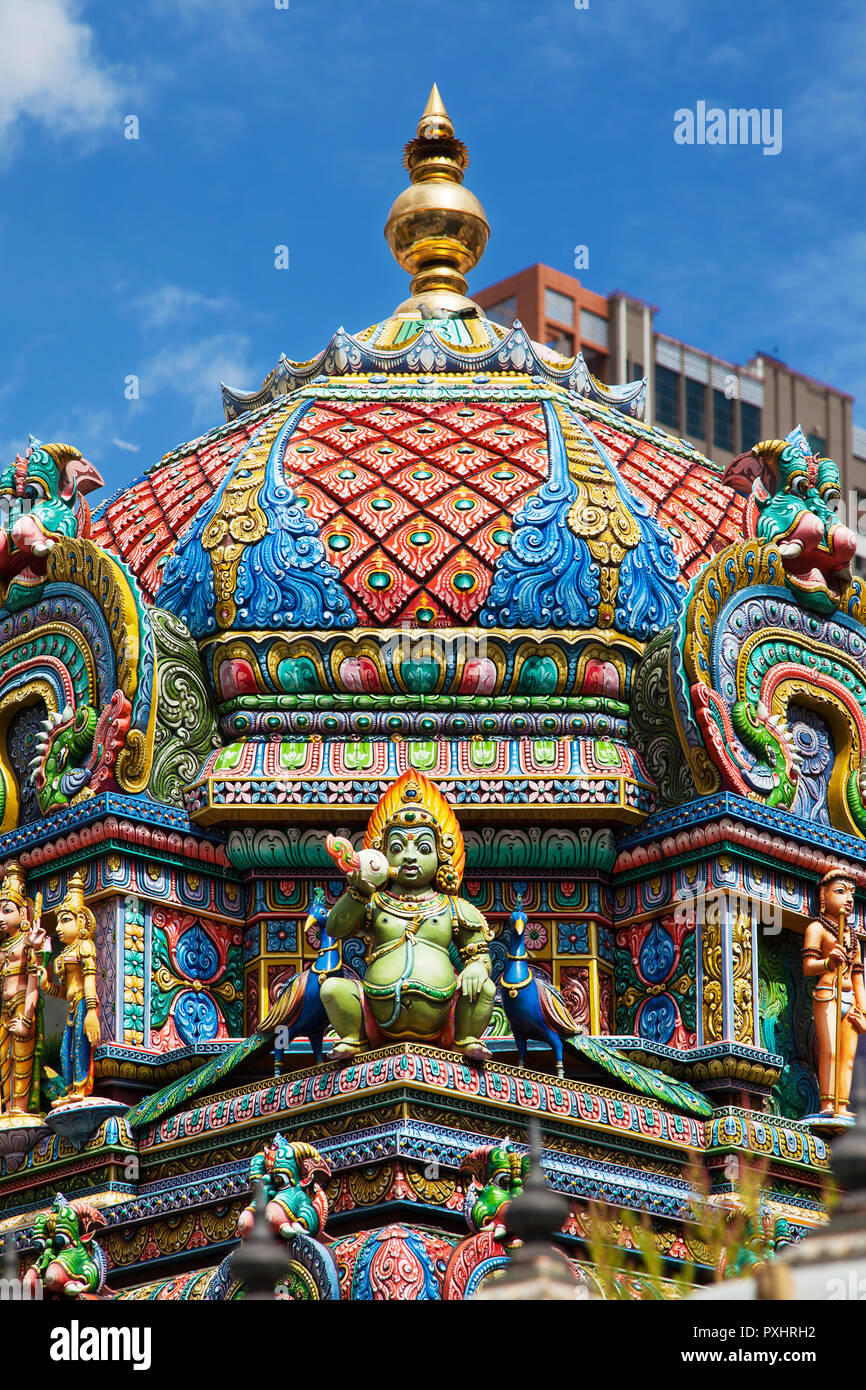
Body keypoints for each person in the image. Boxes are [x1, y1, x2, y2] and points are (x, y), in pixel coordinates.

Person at [321, 769, 496, 1061]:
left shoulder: (452, 907)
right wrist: (358, 893)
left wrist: (477, 968)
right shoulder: (374, 902)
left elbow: (478, 953)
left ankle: (465, 1038)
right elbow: (336, 929)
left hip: (443, 1016)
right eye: (398, 847)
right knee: (332, 988)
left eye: (423, 848)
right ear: (381, 856)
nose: (410, 856)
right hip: (375, 1013)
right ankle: (355, 1038)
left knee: (485, 988)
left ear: (441, 855)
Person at [31, 870, 100, 1105]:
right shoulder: (65, 953)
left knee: (79, 1047)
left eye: (65, 920)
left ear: (81, 921)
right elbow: (63, 990)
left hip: (83, 1002)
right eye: (58, 921)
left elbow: (88, 981)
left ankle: (79, 1089)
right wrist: (47, 986)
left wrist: (91, 1012)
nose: (58, 927)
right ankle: (70, 1090)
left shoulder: (85, 947)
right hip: (72, 1006)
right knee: (65, 1051)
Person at [802, 868, 866, 1117]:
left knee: (847, 1057)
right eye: (840, 892)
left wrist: (863, 1009)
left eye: (852, 894)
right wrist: (829, 962)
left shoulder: (853, 938)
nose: (848, 899)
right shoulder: (817, 929)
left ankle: (842, 1105)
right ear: (823, 896)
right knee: (829, 1050)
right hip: (827, 993)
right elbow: (809, 967)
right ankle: (827, 1104)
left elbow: (858, 978)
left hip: (850, 999)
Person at [0, 860, 41, 1118]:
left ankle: (19, 1109)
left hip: (21, 1005)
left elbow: (34, 981)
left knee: (22, 1060)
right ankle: (6, 1108)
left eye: (6, 911)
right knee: (3, 1062)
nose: (1, 918)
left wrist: (26, 1017)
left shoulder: (28, 942)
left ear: (22, 914)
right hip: (3, 1011)